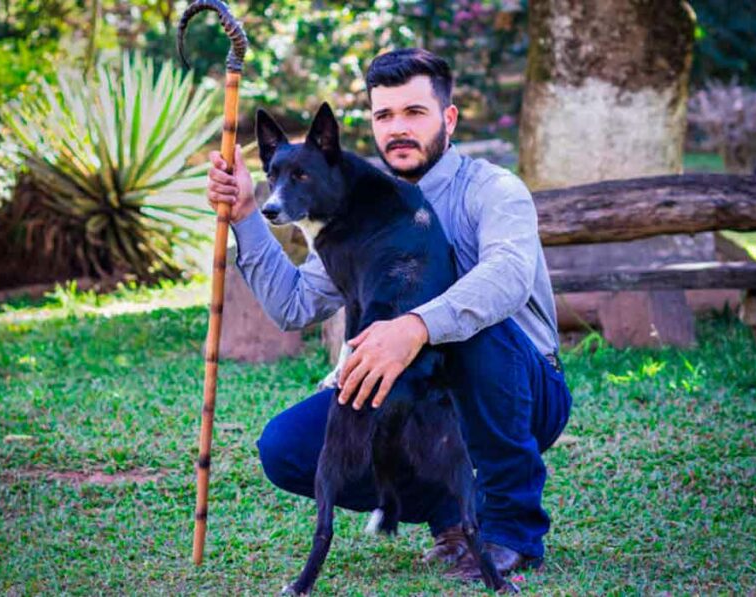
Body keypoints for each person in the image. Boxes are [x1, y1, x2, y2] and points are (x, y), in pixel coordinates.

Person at [206, 48, 572, 580]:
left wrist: (415, 326)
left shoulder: (494, 190)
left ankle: (511, 532)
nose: (397, 128)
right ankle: (450, 515)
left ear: (447, 119)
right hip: (422, 395)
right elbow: (293, 305)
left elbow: (508, 278)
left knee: (470, 324)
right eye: (384, 116)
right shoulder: (364, 209)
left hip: (522, 386)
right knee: (287, 448)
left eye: (414, 113)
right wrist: (245, 215)